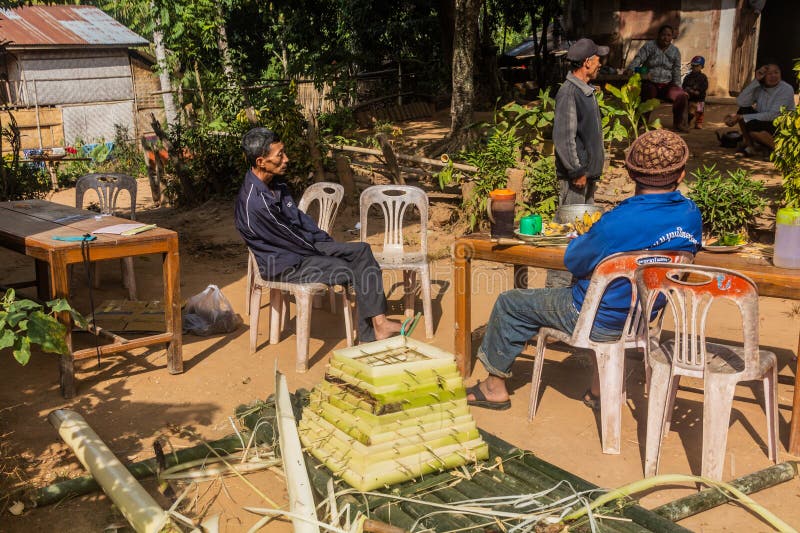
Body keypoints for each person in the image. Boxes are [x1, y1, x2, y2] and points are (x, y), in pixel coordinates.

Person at [466, 129, 702, 411]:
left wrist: (582, 242)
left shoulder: (617, 222)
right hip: (641, 316)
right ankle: (598, 390)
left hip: (596, 318)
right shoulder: (690, 215)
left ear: (630, 174)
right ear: (681, 174)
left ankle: (493, 388)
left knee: (511, 303)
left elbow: (574, 262)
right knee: (607, 294)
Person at [234, 127, 401, 343]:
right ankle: (370, 335)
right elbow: (290, 239)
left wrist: (326, 242)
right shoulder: (255, 204)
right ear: (261, 161)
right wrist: (329, 251)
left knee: (362, 250)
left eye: (284, 152)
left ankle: (379, 323)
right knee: (354, 268)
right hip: (285, 265)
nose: (286, 159)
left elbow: (300, 221)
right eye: (280, 155)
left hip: (302, 249)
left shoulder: (276, 184)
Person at [553, 37, 609, 206]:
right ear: (587, 63)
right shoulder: (569, 93)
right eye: (598, 60)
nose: (600, 64)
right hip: (577, 177)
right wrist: (576, 171)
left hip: (587, 174)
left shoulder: (584, 91)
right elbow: (564, 137)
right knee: (571, 227)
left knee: (584, 226)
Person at [628, 25, 689, 132]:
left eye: (669, 35)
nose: (666, 38)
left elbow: (676, 70)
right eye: (663, 35)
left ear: (672, 37)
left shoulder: (675, 51)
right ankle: (641, 122)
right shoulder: (649, 46)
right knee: (648, 92)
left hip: (667, 84)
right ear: (659, 35)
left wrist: (679, 87)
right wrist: (634, 69)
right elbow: (638, 60)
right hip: (650, 82)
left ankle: (679, 124)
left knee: (681, 95)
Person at [724, 64, 796, 155]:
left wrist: (741, 117)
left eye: (776, 72)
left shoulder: (786, 89)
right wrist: (755, 80)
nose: (773, 76)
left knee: (753, 128)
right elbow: (741, 102)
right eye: (769, 73)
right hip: (765, 121)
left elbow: (773, 115)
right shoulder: (759, 87)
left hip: (781, 125)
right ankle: (750, 146)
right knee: (743, 110)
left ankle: (781, 151)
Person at [683, 56, 708, 129]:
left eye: (697, 66)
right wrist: (687, 89)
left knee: (700, 111)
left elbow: (705, 86)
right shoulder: (688, 77)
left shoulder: (703, 77)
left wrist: (699, 91)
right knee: (690, 112)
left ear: (702, 67)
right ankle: (687, 122)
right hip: (691, 98)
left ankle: (698, 123)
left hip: (700, 98)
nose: (694, 67)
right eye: (693, 65)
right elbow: (684, 85)